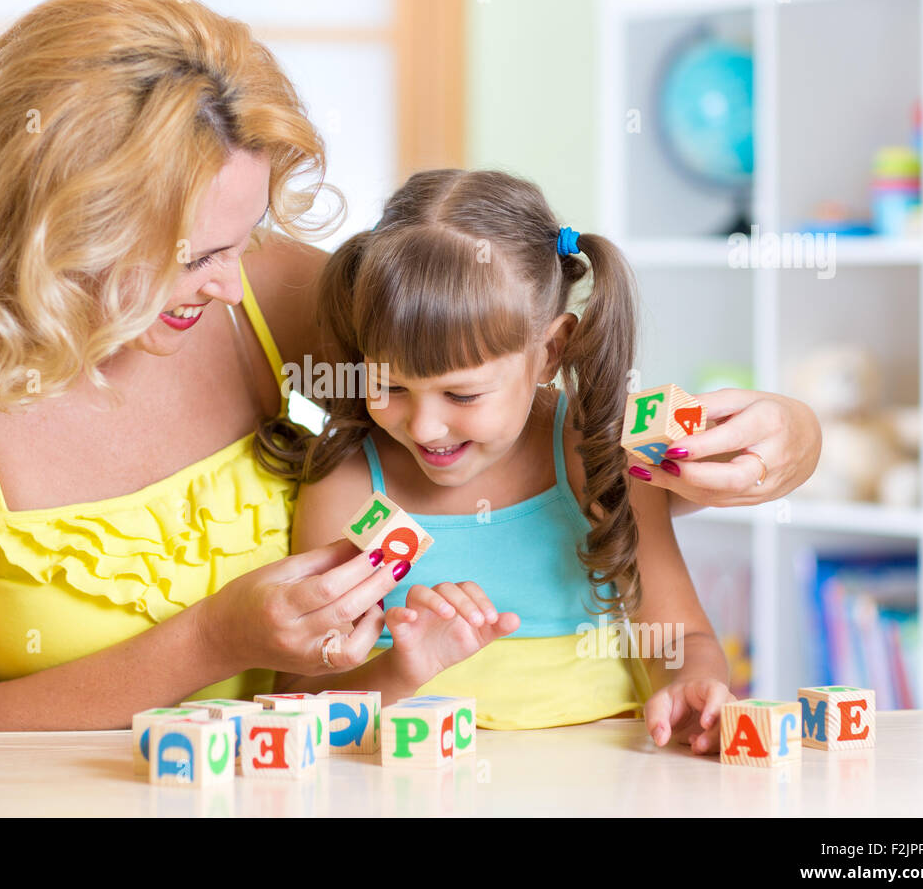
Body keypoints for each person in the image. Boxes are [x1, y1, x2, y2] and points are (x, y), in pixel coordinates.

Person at [0, 0, 820, 734]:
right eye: (188, 257)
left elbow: (543, 457)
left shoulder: (287, 297)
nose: (232, 281)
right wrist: (213, 640)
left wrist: (791, 439)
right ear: (51, 233)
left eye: (243, 232)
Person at [262, 169, 739, 754]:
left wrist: (694, 686)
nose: (425, 426)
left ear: (550, 351)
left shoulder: (597, 454)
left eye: (462, 395)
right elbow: (301, 700)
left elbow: (681, 637)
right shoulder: (349, 478)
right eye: (388, 384)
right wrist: (404, 670)